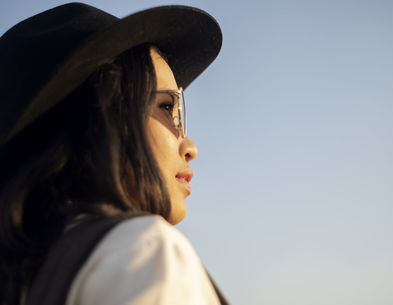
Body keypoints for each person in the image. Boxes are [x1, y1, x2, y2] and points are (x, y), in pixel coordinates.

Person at [0, 2, 226, 305]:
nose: (190, 147)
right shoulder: (142, 250)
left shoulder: (30, 272)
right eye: (167, 107)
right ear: (102, 118)